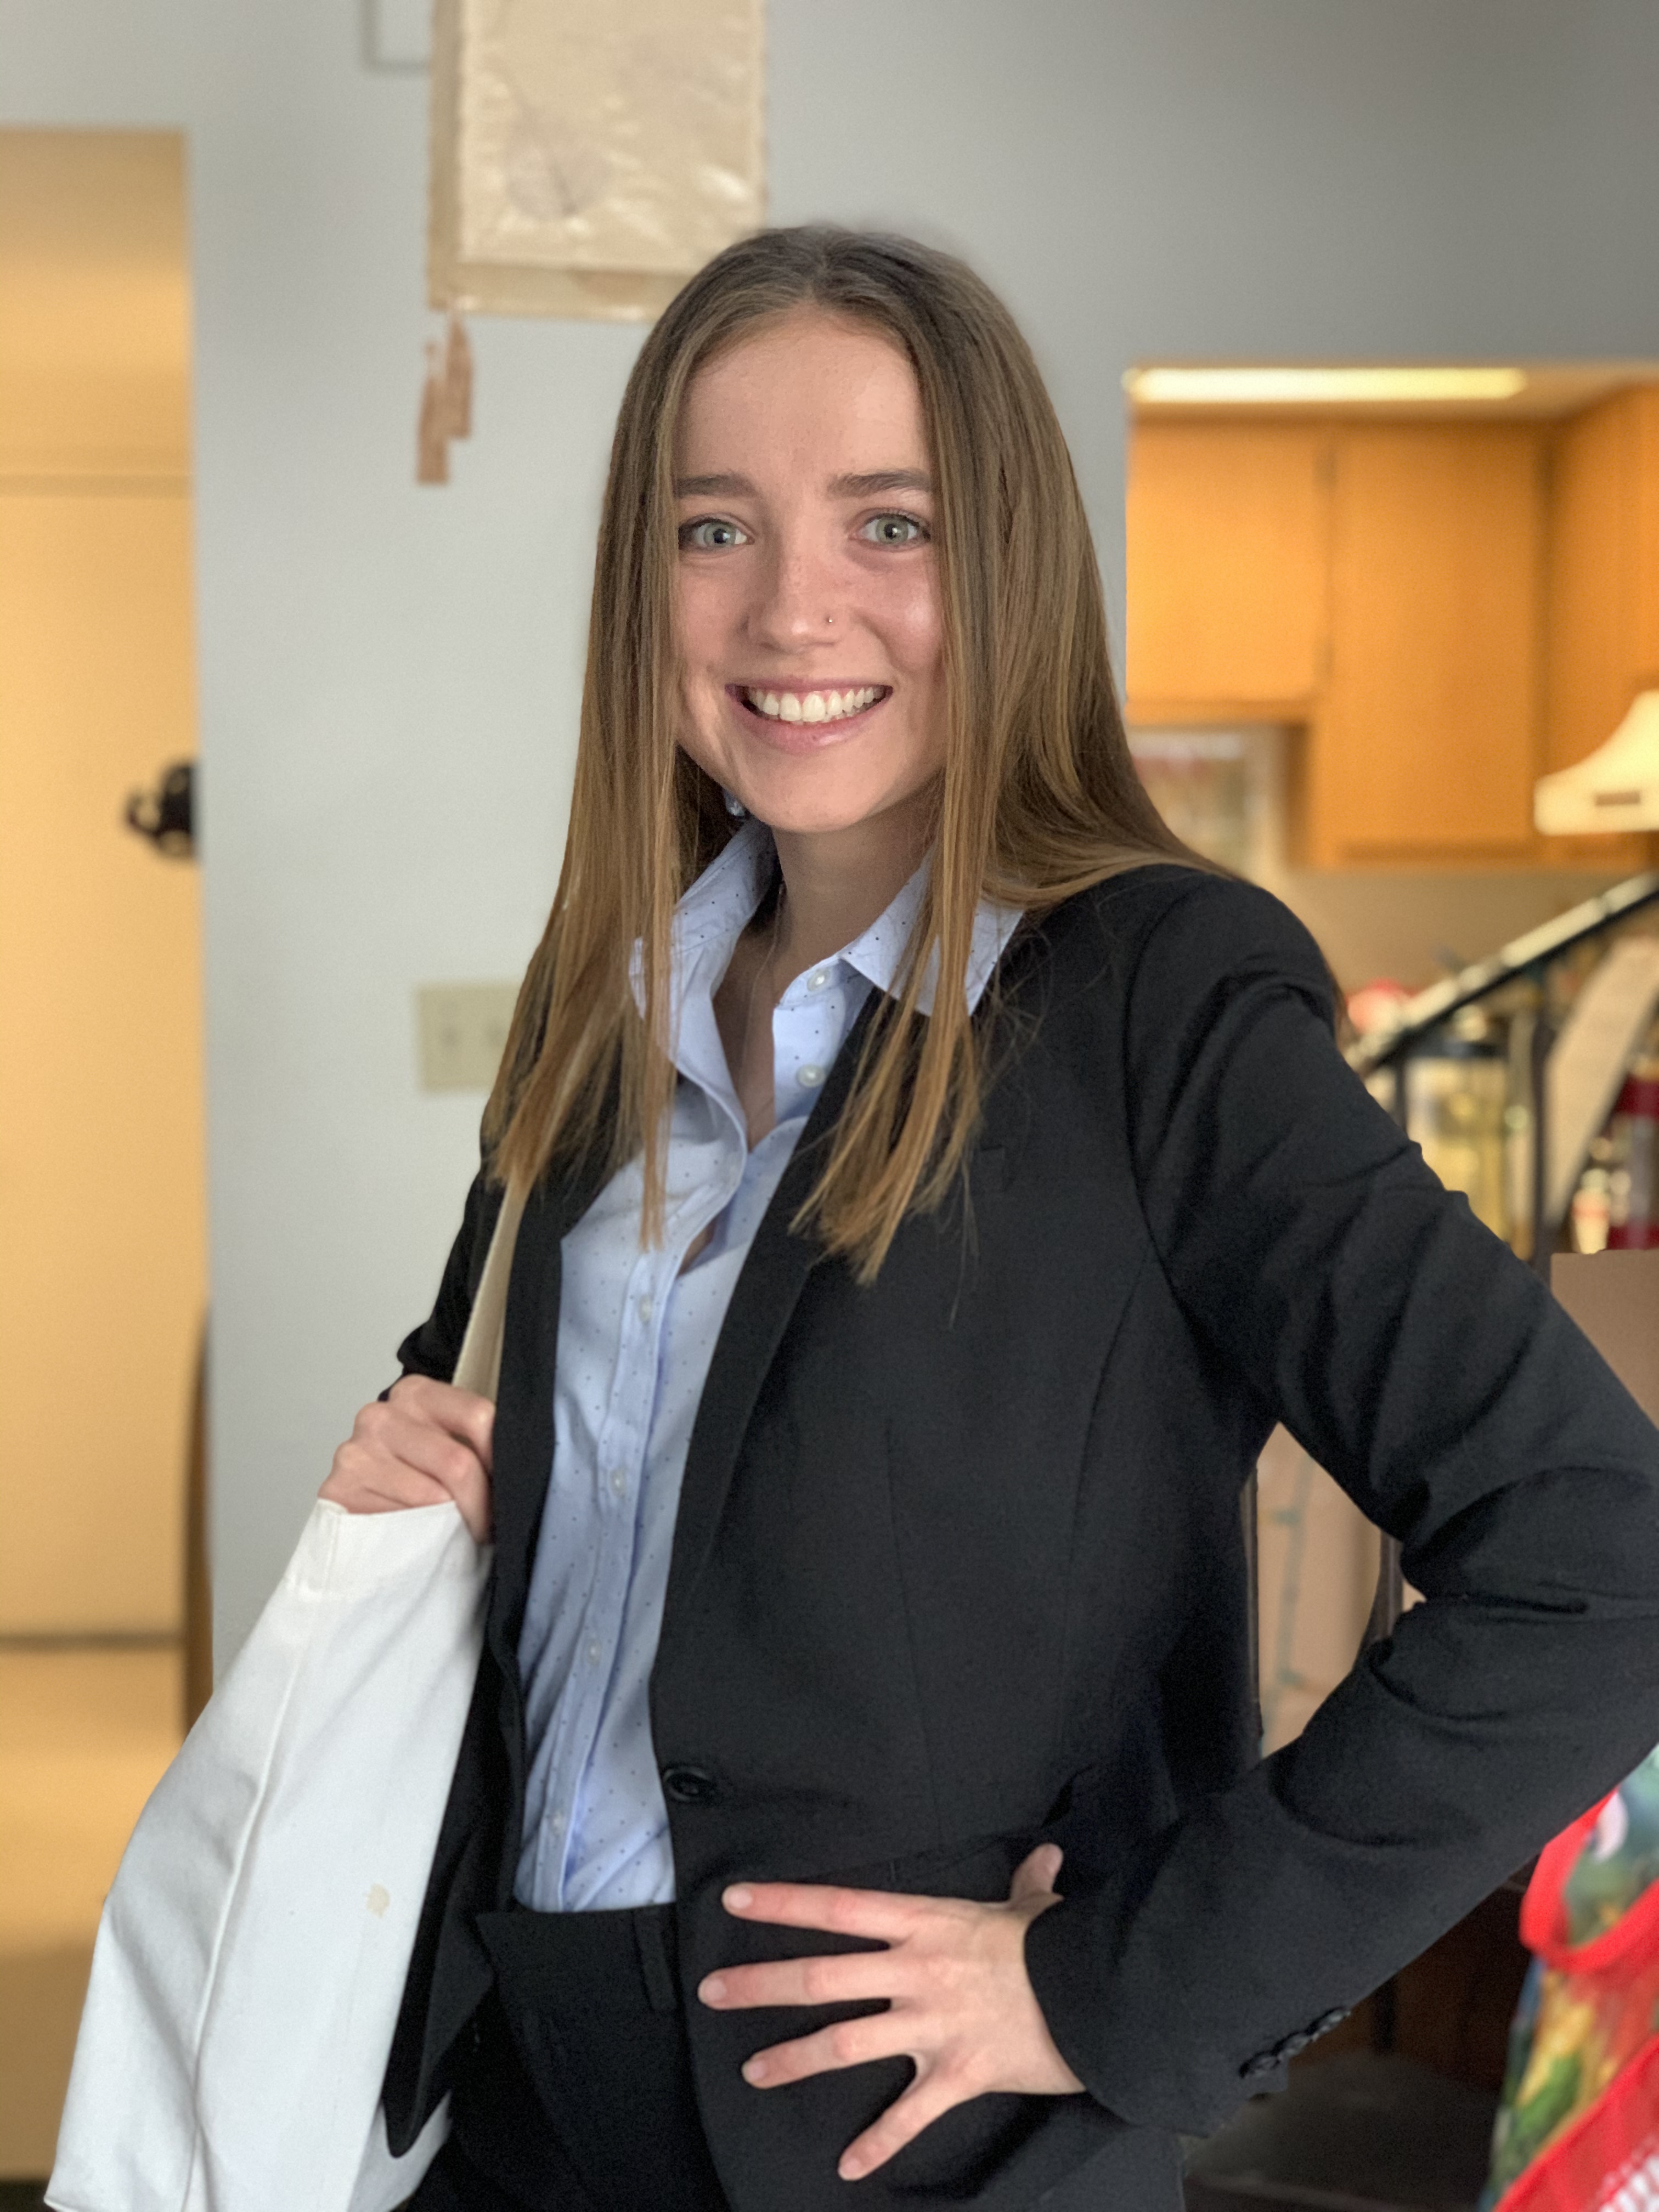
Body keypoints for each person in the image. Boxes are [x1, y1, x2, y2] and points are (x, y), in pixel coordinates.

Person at [319, 227, 1659, 2212]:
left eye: (893, 524)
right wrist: (417, 1456)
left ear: (1009, 565)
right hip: (521, 2104)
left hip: (913, 2150)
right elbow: (550, 1462)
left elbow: (1599, 1556)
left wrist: (1121, 1986)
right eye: (713, 528)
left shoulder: (1164, 1000)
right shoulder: (601, 995)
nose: (793, 608)